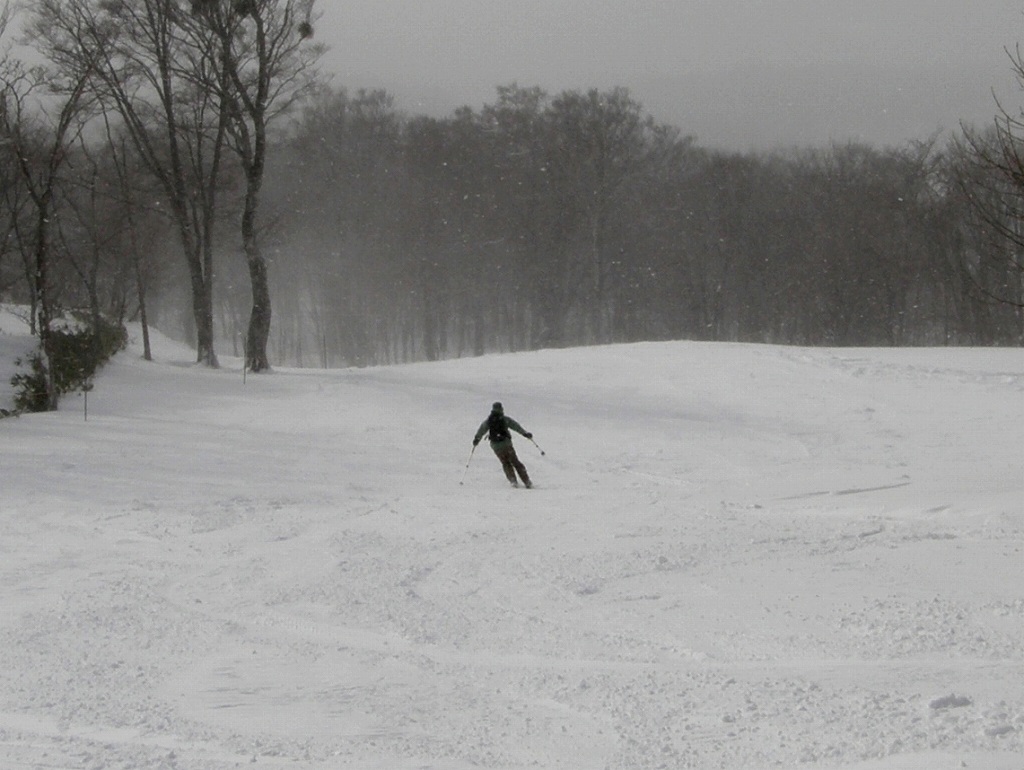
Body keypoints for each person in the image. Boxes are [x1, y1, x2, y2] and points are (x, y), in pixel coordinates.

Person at [473, 401, 533, 488]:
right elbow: (515, 426)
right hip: (506, 444)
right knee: (515, 462)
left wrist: (476, 439)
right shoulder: (504, 419)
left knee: (505, 463)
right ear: (501, 409)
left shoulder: (489, 421)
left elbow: (481, 430)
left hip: (496, 446)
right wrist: (525, 433)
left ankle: (513, 480)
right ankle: (527, 481)